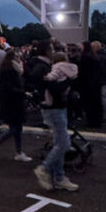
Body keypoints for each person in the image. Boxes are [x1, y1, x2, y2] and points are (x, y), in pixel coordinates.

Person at [34, 51, 80, 192]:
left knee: (59, 144)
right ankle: (45, 168)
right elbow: (55, 89)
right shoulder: (50, 70)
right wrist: (69, 80)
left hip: (55, 108)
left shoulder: (49, 69)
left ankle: (59, 177)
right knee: (64, 144)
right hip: (54, 109)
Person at [0, 49, 32, 161]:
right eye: (16, 56)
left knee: (17, 128)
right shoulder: (9, 70)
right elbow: (8, 87)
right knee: (15, 128)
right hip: (12, 102)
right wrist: (22, 92)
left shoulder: (14, 69)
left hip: (15, 101)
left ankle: (19, 151)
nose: (19, 58)